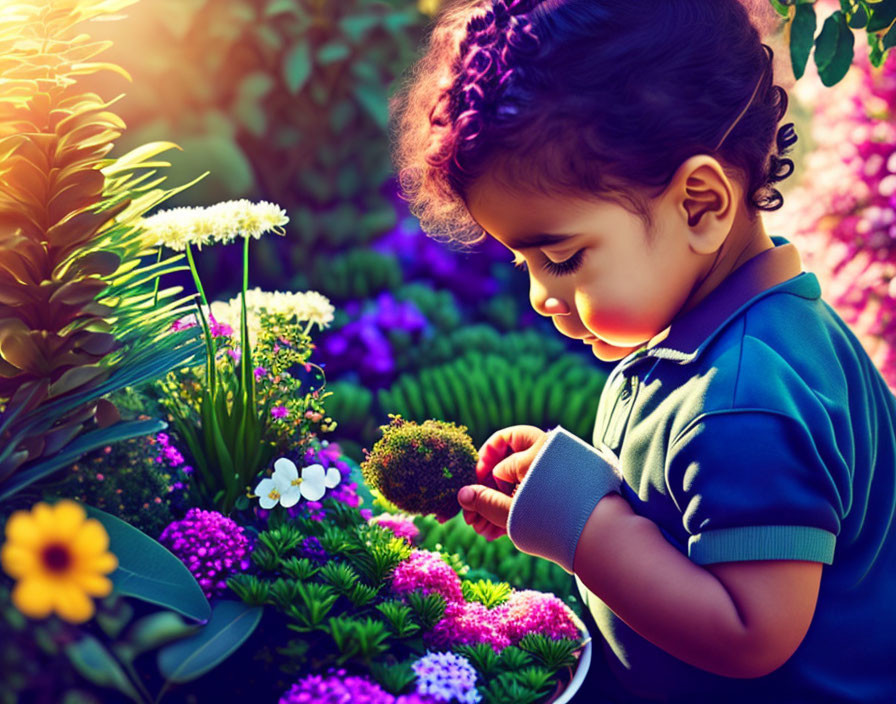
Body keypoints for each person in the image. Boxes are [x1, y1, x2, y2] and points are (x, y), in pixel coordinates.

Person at [387, 1, 896, 702]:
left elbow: (752, 631)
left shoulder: (743, 399)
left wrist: (585, 526)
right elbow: (691, 516)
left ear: (699, 204)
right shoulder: (724, 335)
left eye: (562, 257)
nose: (540, 294)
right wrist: (577, 487)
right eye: (524, 263)